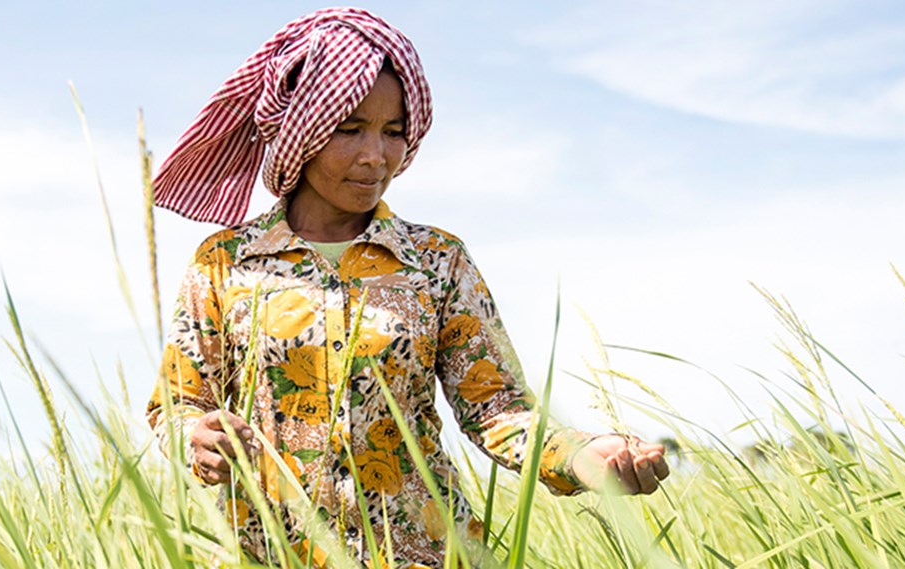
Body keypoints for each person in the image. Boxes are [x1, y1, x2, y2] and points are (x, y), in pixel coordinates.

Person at [145, 7, 669, 567]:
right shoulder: (226, 264)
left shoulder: (437, 262)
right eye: (349, 129)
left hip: (423, 554)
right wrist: (197, 437)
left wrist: (582, 456)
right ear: (301, 132)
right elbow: (177, 405)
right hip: (274, 553)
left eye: (393, 132)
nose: (376, 156)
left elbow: (497, 408)